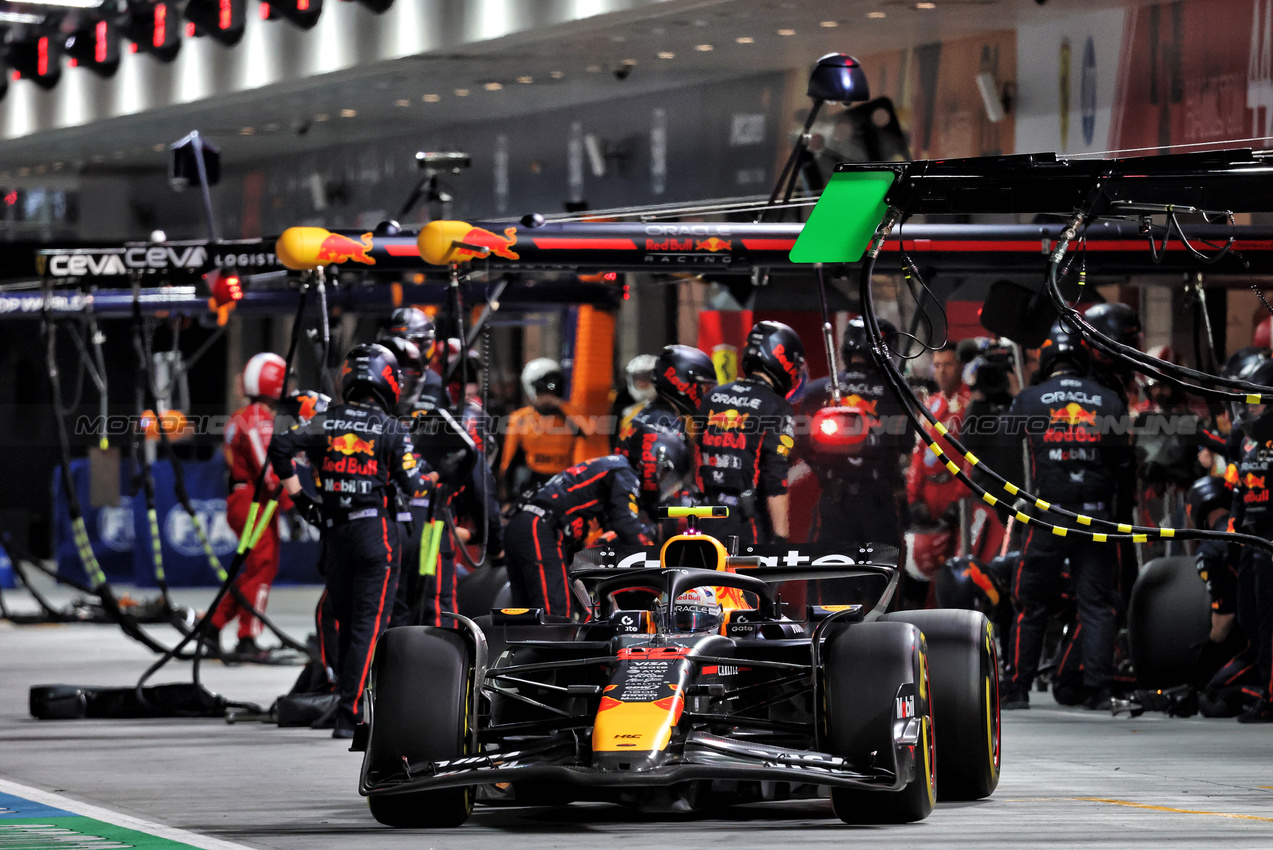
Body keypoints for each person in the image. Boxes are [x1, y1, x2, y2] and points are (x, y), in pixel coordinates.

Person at [268, 343, 432, 738]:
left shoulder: (325, 420)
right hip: (376, 534)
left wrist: (302, 500)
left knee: (340, 620)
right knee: (368, 625)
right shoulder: (391, 428)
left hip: (336, 534)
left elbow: (280, 447)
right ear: (387, 381)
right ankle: (350, 716)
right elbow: (413, 485)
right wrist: (436, 475)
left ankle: (344, 701)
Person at [1001, 320, 1132, 710]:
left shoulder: (1028, 399)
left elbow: (1006, 454)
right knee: (1097, 604)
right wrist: (1121, 519)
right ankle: (1099, 689)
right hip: (1097, 518)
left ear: (1046, 358)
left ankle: (1018, 687)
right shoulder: (1109, 399)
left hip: (1047, 515)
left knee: (1030, 602)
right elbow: (1125, 467)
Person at [504, 438, 690, 616]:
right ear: (653, 459)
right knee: (556, 617)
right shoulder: (624, 471)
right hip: (539, 529)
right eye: (665, 473)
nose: (664, 480)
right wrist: (658, 557)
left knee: (527, 616)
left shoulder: (613, 466)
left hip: (523, 525)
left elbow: (615, 525)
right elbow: (625, 523)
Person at [208, 352, 292, 660]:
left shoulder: (245, 415)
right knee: (262, 568)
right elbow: (269, 468)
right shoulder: (257, 417)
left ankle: (214, 625)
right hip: (254, 502)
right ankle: (247, 637)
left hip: (250, 499)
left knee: (256, 570)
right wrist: (292, 503)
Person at [800, 317, 908, 549]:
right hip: (878, 504)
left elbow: (802, 443)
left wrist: (825, 472)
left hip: (833, 500)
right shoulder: (897, 393)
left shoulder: (817, 391)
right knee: (881, 568)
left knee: (828, 566)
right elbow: (906, 444)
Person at [696, 320, 804, 547]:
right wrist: (781, 537)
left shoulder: (712, 397)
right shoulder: (776, 407)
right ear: (783, 358)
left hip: (703, 518)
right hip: (745, 522)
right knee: (746, 573)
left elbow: (695, 454)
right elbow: (774, 477)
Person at [1224, 357, 1273, 722]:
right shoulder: (1244, 442)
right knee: (1251, 617)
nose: (1250, 410)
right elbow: (1240, 490)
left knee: (1270, 621)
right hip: (1251, 537)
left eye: (1258, 403)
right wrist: (1234, 526)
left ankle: (1270, 696)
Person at [904, 343, 971, 598]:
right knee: (924, 560)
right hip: (930, 493)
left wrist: (959, 499)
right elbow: (918, 454)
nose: (941, 371)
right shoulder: (930, 404)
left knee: (959, 563)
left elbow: (972, 457)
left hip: (958, 494)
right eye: (937, 365)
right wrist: (913, 499)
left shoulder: (970, 404)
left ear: (960, 366)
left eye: (948, 365)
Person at [619, 344, 717, 516]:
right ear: (683, 384)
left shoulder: (659, 414)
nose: (706, 395)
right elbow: (655, 496)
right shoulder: (662, 427)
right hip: (644, 518)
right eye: (703, 387)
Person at [499, 358, 584, 502]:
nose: (549, 392)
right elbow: (508, 460)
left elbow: (588, 430)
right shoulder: (520, 417)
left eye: (554, 387)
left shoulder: (569, 415)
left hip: (564, 480)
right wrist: (507, 496)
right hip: (532, 481)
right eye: (545, 387)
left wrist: (560, 404)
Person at [613, 354, 660, 449]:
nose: (642, 383)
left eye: (646, 378)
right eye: (638, 379)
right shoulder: (628, 411)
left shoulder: (670, 407)